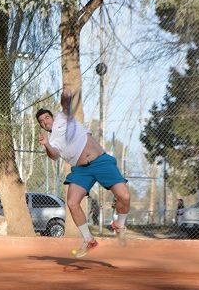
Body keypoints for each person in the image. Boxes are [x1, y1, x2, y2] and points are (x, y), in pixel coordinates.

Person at [36, 89, 130, 258]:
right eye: (41, 121)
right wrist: (46, 144)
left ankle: (119, 225)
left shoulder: (63, 118)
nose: (45, 122)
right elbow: (54, 155)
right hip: (81, 171)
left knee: (124, 196)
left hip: (101, 162)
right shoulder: (52, 141)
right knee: (72, 202)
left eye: (46, 117)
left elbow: (66, 104)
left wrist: (66, 95)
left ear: (53, 117)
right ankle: (89, 240)